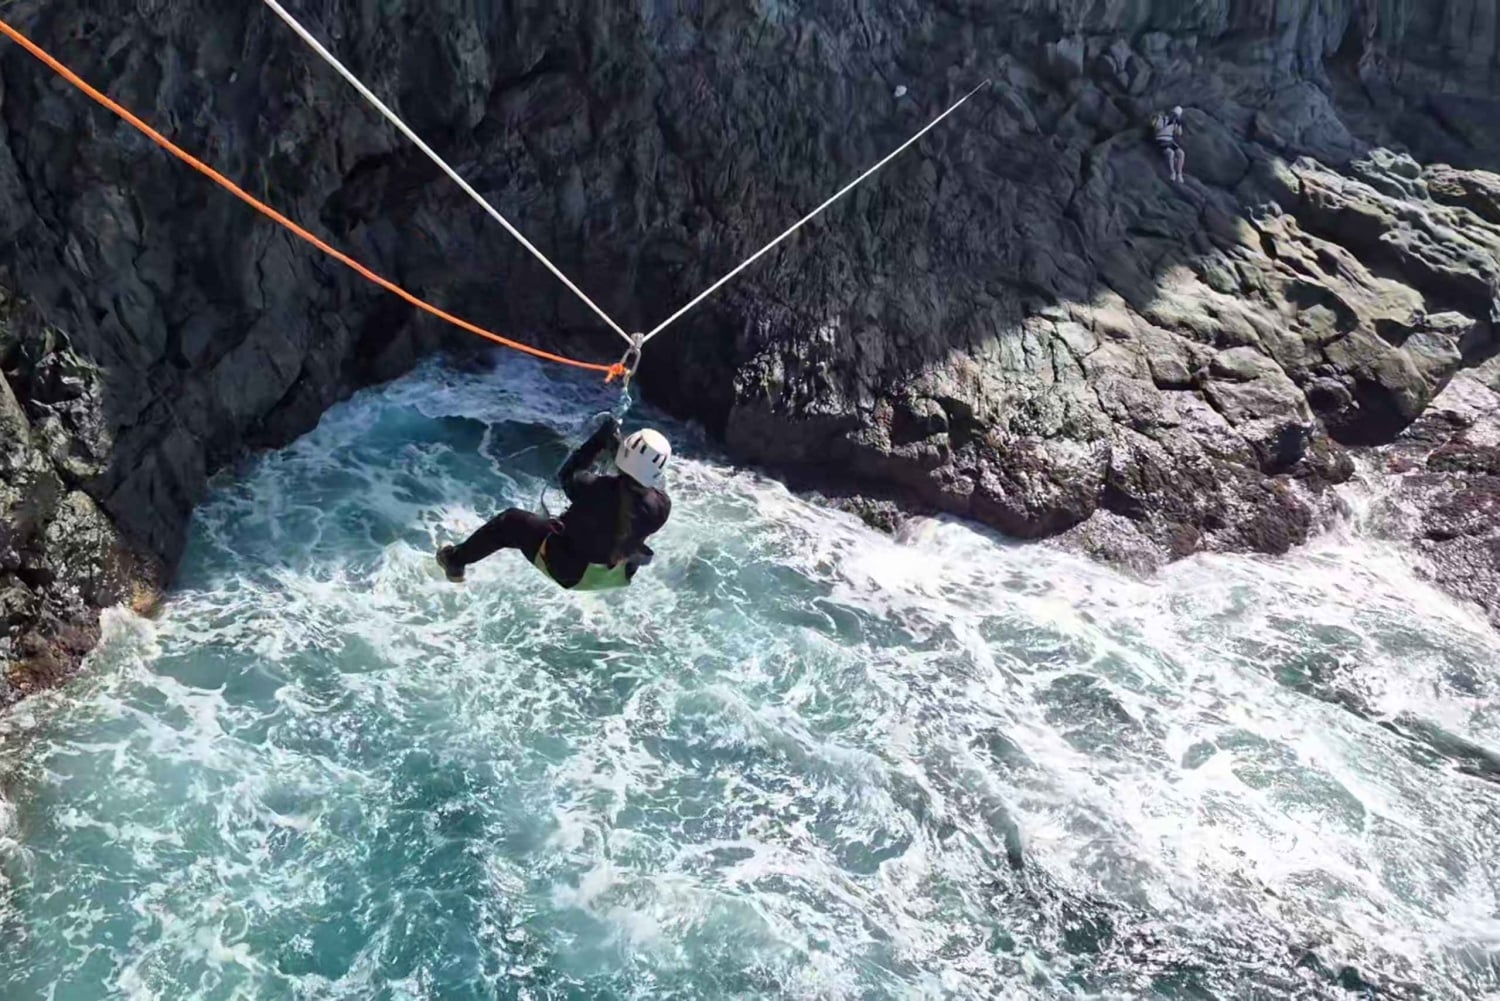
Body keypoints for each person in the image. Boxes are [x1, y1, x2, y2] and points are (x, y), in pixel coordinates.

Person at [436, 416, 671, 590]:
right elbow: (630, 494)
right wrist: (618, 450)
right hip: (611, 575)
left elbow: (569, 474)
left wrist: (599, 440)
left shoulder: (594, 489)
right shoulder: (662, 506)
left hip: (570, 572)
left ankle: (454, 561)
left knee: (510, 521)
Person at [1153, 105, 1186, 183]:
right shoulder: (1161, 118)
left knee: (1181, 153)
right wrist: (1168, 122)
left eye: (1176, 115)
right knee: (1171, 153)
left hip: (1170, 140)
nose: (1174, 116)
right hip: (1160, 140)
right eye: (1174, 114)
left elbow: (1179, 133)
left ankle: (1179, 174)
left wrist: (1179, 124)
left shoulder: (1175, 122)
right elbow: (1157, 127)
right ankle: (1172, 172)